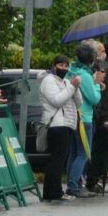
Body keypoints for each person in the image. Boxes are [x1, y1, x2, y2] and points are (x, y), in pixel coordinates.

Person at [39, 54, 81, 202]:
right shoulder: (48, 80)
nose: (64, 68)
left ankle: (54, 191)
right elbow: (57, 100)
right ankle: (53, 192)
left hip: (67, 123)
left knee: (60, 160)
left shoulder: (65, 82)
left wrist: (76, 88)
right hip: (56, 124)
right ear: (54, 66)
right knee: (56, 160)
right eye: (61, 65)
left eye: (66, 66)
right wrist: (71, 87)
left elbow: (79, 103)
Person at [65, 42, 103, 197]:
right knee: (83, 153)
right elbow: (94, 99)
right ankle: (74, 186)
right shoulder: (85, 75)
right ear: (91, 59)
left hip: (72, 116)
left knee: (74, 153)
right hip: (84, 117)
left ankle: (72, 184)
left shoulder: (71, 70)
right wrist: (97, 85)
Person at [87, 39, 108, 195]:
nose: (103, 53)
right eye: (100, 51)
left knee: (103, 151)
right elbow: (107, 96)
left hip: (106, 115)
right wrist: (107, 117)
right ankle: (93, 181)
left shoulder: (107, 68)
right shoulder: (107, 70)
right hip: (105, 117)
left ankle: (94, 180)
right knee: (101, 151)